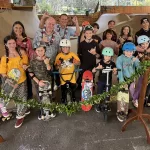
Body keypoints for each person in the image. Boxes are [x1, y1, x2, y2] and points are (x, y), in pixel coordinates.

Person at [0, 35, 29, 128]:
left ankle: (20, 116)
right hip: (10, 81)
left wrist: (25, 66)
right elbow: (3, 72)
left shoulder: (21, 52)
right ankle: (4, 110)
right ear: (6, 44)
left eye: (13, 43)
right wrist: (9, 81)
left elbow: (26, 63)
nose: (12, 45)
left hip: (22, 80)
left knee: (22, 97)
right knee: (8, 98)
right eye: (10, 43)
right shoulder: (5, 58)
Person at [27, 44, 56, 120]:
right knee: (40, 97)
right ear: (35, 51)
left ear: (45, 51)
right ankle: (42, 111)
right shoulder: (32, 61)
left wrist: (47, 63)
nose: (40, 52)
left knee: (49, 96)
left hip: (48, 82)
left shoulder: (49, 59)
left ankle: (50, 110)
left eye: (42, 50)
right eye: (38, 50)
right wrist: (38, 81)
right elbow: (30, 72)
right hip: (38, 83)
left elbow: (51, 72)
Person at [33, 16, 61, 91]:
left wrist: (59, 61)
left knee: (52, 83)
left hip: (52, 63)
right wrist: (42, 41)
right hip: (40, 63)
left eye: (53, 24)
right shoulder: (39, 33)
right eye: (49, 23)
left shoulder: (57, 35)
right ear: (45, 23)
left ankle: (52, 97)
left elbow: (59, 49)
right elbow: (34, 46)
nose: (51, 26)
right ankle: (40, 99)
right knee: (41, 84)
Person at [116, 42, 140, 121]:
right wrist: (122, 81)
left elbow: (139, 67)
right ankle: (121, 111)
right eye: (127, 51)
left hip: (131, 79)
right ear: (124, 51)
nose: (129, 53)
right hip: (123, 78)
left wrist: (136, 61)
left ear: (133, 52)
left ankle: (134, 99)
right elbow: (119, 70)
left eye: (131, 51)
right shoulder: (120, 58)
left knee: (133, 90)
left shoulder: (133, 58)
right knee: (123, 94)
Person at [11, 21, 35, 100]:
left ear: (23, 29)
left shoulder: (27, 39)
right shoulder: (11, 40)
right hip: (16, 64)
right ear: (13, 29)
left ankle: (29, 98)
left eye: (20, 28)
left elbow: (31, 51)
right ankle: (19, 100)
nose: (18, 29)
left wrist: (31, 62)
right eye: (16, 28)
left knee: (28, 81)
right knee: (18, 81)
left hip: (26, 64)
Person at [55, 39, 80, 104]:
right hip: (63, 76)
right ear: (61, 48)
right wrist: (58, 64)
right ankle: (63, 99)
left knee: (73, 89)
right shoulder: (59, 55)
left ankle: (74, 99)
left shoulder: (72, 54)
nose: (65, 49)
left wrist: (75, 61)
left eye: (67, 47)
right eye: (63, 47)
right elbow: (56, 67)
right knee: (63, 89)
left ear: (69, 47)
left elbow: (79, 63)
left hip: (71, 75)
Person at [92, 47, 117, 112]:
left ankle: (107, 104)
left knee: (108, 93)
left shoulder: (112, 64)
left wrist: (115, 70)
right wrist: (97, 67)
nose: (107, 57)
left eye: (109, 56)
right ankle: (98, 105)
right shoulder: (100, 63)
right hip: (101, 81)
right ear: (103, 56)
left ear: (111, 56)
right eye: (106, 56)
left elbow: (115, 73)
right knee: (99, 93)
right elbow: (93, 70)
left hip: (108, 81)